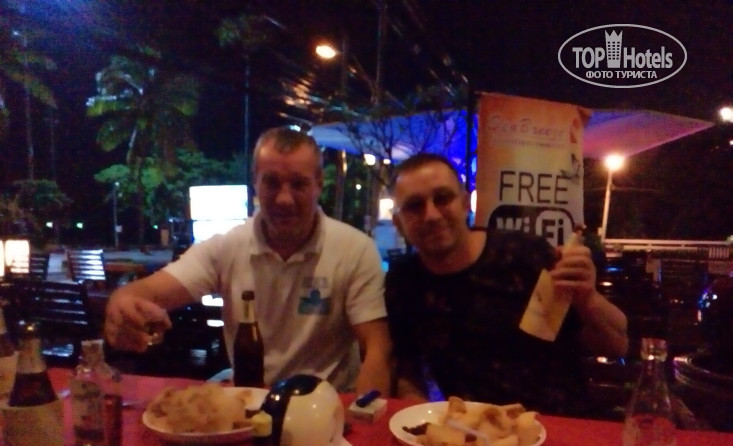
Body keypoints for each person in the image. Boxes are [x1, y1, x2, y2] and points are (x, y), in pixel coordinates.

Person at [104, 127, 391, 395]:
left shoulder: (355, 249)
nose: (284, 199)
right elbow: (144, 292)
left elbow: (377, 347)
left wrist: (364, 415)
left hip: (327, 405)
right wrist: (122, 303)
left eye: (299, 184)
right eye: (271, 183)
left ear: (319, 183)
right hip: (249, 400)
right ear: (255, 183)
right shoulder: (226, 247)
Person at [386, 153, 628, 416]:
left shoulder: (525, 254)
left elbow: (616, 346)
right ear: (398, 223)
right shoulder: (404, 281)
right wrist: (417, 416)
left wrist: (587, 298)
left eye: (442, 198)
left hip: (558, 423)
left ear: (465, 204)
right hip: (474, 430)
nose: (431, 215)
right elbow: (408, 369)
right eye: (414, 206)